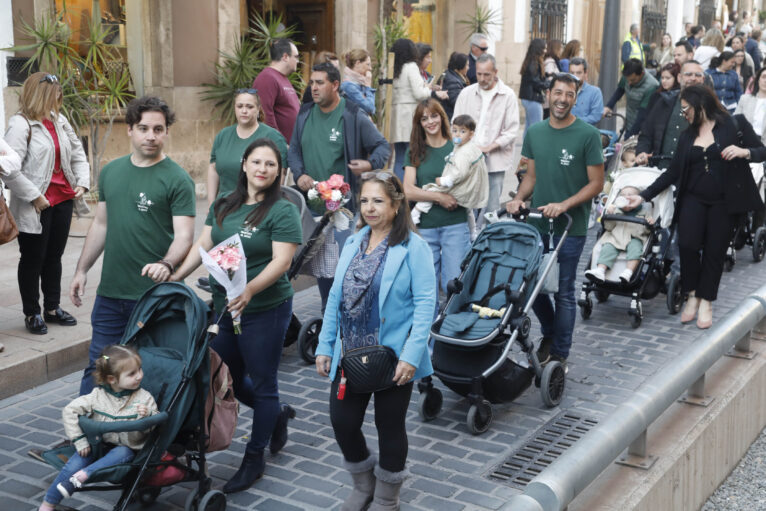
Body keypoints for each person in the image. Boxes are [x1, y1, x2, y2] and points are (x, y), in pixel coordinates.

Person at [172, 138, 302, 493]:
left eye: (271, 164)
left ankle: (255, 455)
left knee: (263, 382)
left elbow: (282, 261)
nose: (263, 169)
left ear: (279, 172)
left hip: (265, 308)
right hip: (225, 307)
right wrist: (176, 276)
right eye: (257, 162)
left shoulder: (283, 209)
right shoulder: (224, 204)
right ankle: (274, 413)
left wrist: (249, 291)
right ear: (244, 165)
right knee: (224, 376)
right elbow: (204, 244)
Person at [315, 171, 436, 511]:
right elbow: (336, 297)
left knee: (390, 426)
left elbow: (427, 304)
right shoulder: (353, 241)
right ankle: (363, 482)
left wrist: (411, 356)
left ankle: (387, 495)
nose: (369, 207)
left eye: (378, 201)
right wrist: (326, 345)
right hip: (350, 352)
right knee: (343, 422)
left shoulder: (415, 248)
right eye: (364, 200)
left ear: (397, 205)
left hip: (393, 355)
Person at [69, 96, 196, 396]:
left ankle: (147, 435)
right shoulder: (111, 171)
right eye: (143, 128)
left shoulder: (178, 179)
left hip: (155, 298)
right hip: (111, 294)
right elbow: (101, 224)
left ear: (166, 132)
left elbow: (184, 237)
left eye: (158, 129)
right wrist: (81, 269)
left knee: (151, 370)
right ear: (129, 130)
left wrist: (166, 264)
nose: (151, 136)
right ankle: (87, 435)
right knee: (99, 366)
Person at [625, 84, 765, 329]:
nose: (684, 114)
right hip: (693, 199)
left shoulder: (734, 124)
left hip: (725, 202)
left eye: (686, 108)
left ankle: (706, 301)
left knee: (714, 251)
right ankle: (692, 294)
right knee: (687, 245)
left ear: (701, 105)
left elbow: (762, 151)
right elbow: (673, 172)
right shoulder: (687, 136)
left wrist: (744, 152)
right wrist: (644, 196)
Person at [506, 73, 605, 371]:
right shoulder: (535, 132)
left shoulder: (587, 135)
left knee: (563, 291)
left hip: (570, 228)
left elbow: (596, 183)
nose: (562, 99)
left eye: (569, 94)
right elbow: (531, 177)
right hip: (538, 225)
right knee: (531, 289)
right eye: (557, 93)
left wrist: (564, 204)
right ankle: (550, 331)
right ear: (548, 94)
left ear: (576, 98)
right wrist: (519, 199)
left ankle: (560, 351)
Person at [289, 62, 390, 312]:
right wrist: (299, 173)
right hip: (312, 208)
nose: (314, 88)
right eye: (312, 82)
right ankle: (328, 317)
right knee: (323, 269)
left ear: (335, 85)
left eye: (320, 82)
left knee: (342, 268)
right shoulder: (304, 114)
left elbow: (382, 147)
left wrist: (368, 163)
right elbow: (293, 151)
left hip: (343, 211)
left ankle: (349, 316)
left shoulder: (353, 115)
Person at [3, 72, 90, 335]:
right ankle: (32, 313)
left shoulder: (59, 120)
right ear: (40, 94)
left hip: (63, 200)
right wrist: (35, 196)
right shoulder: (20, 125)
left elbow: (77, 153)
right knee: (32, 259)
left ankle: (52, 308)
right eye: (54, 93)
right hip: (36, 205)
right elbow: (7, 168)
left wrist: (82, 182)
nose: (58, 98)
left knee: (54, 257)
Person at [38, 344, 158, 511]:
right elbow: (69, 410)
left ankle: (85, 474)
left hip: (127, 449)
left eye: (139, 370)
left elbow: (153, 427)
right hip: (97, 445)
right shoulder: (97, 396)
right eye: (132, 373)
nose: (139, 376)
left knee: (123, 452)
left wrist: (147, 416)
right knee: (71, 466)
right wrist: (79, 440)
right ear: (111, 379)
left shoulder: (144, 398)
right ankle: (47, 504)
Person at [403, 99, 470, 296]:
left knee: (454, 284)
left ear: (442, 117)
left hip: (455, 225)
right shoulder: (415, 151)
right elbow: (407, 190)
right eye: (424, 118)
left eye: (434, 116)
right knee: (425, 287)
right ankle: (428, 327)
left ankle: (449, 326)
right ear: (419, 123)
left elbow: (468, 186)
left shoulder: (457, 149)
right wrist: (439, 198)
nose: (430, 121)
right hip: (425, 227)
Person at [452, 53, 520, 222]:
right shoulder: (466, 93)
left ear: (496, 72)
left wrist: (488, 148)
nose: (482, 79)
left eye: (487, 75)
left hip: (494, 162)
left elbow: (511, 131)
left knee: (491, 209)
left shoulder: (508, 95)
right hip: (466, 160)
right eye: (479, 74)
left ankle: (488, 244)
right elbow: (455, 125)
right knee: (465, 206)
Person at [207, 89, 287, 208]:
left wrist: (267, 207)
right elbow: (213, 168)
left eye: (249, 107)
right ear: (234, 108)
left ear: (258, 108)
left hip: (257, 207)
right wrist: (211, 204)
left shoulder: (272, 136)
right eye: (240, 106)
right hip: (224, 206)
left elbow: (279, 174)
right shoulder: (223, 135)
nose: (244, 111)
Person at [410, 114, 488, 228]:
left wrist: (444, 180)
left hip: (459, 185)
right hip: (468, 188)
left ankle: (416, 213)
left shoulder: (464, 152)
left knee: (432, 190)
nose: (457, 134)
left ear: (471, 134)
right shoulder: (467, 147)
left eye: (462, 132)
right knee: (467, 210)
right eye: (455, 130)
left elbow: (460, 173)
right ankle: (473, 232)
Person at [390, 38, 447, 181]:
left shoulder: (393, 66)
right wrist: (430, 91)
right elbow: (419, 93)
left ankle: (399, 190)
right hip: (409, 114)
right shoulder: (410, 66)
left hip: (396, 115)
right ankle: (410, 190)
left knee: (399, 156)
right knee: (412, 155)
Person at [636, 60, 706, 169]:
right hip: (660, 169)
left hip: (692, 174)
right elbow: (646, 134)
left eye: (697, 75)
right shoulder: (664, 102)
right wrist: (642, 152)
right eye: (688, 74)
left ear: (703, 79)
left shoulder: (711, 108)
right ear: (679, 78)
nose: (693, 78)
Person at [584, 185, 653, 284]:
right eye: (622, 195)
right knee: (607, 248)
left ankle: (628, 272)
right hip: (616, 237)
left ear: (638, 199)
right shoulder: (616, 210)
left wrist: (649, 222)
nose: (626, 197)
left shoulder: (644, 213)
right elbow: (609, 227)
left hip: (634, 238)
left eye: (630, 195)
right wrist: (610, 215)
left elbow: (647, 231)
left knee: (636, 250)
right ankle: (600, 270)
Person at [252, 38, 301, 142]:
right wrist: (279, 144)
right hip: (278, 150)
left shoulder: (282, 77)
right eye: (296, 57)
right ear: (285, 57)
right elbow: (264, 116)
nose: (298, 61)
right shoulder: (267, 78)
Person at [604, 58, 658, 137]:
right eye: (627, 80)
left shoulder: (652, 86)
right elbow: (619, 91)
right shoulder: (627, 76)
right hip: (629, 121)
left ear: (641, 74)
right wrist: (609, 106)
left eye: (633, 80)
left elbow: (642, 115)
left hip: (643, 127)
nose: (629, 83)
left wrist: (629, 136)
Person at [519, 38, 548, 136]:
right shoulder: (533, 63)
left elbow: (535, 78)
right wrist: (549, 84)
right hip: (532, 98)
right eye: (544, 48)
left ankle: (526, 149)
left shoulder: (531, 61)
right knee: (536, 127)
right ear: (539, 49)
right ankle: (534, 150)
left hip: (528, 97)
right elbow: (536, 81)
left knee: (529, 126)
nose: (545, 51)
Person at [735, 66, 766, 144]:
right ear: (758, 79)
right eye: (764, 77)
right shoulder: (745, 99)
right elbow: (735, 121)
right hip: (744, 142)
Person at [570, 57, 605, 126]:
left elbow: (596, 117)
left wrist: (573, 122)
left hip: (586, 133)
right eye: (572, 73)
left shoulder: (595, 92)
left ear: (585, 73)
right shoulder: (564, 91)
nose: (575, 76)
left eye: (579, 73)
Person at [340, 49, 376, 116]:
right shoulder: (348, 86)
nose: (370, 68)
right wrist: (368, 86)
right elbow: (370, 108)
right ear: (358, 63)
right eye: (368, 64)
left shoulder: (360, 83)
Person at [435, 51, 470, 119]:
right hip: (449, 117)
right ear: (460, 66)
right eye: (467, 65)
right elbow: (458, 102)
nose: (468, 68)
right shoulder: (453, 81)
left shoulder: (448, 74)